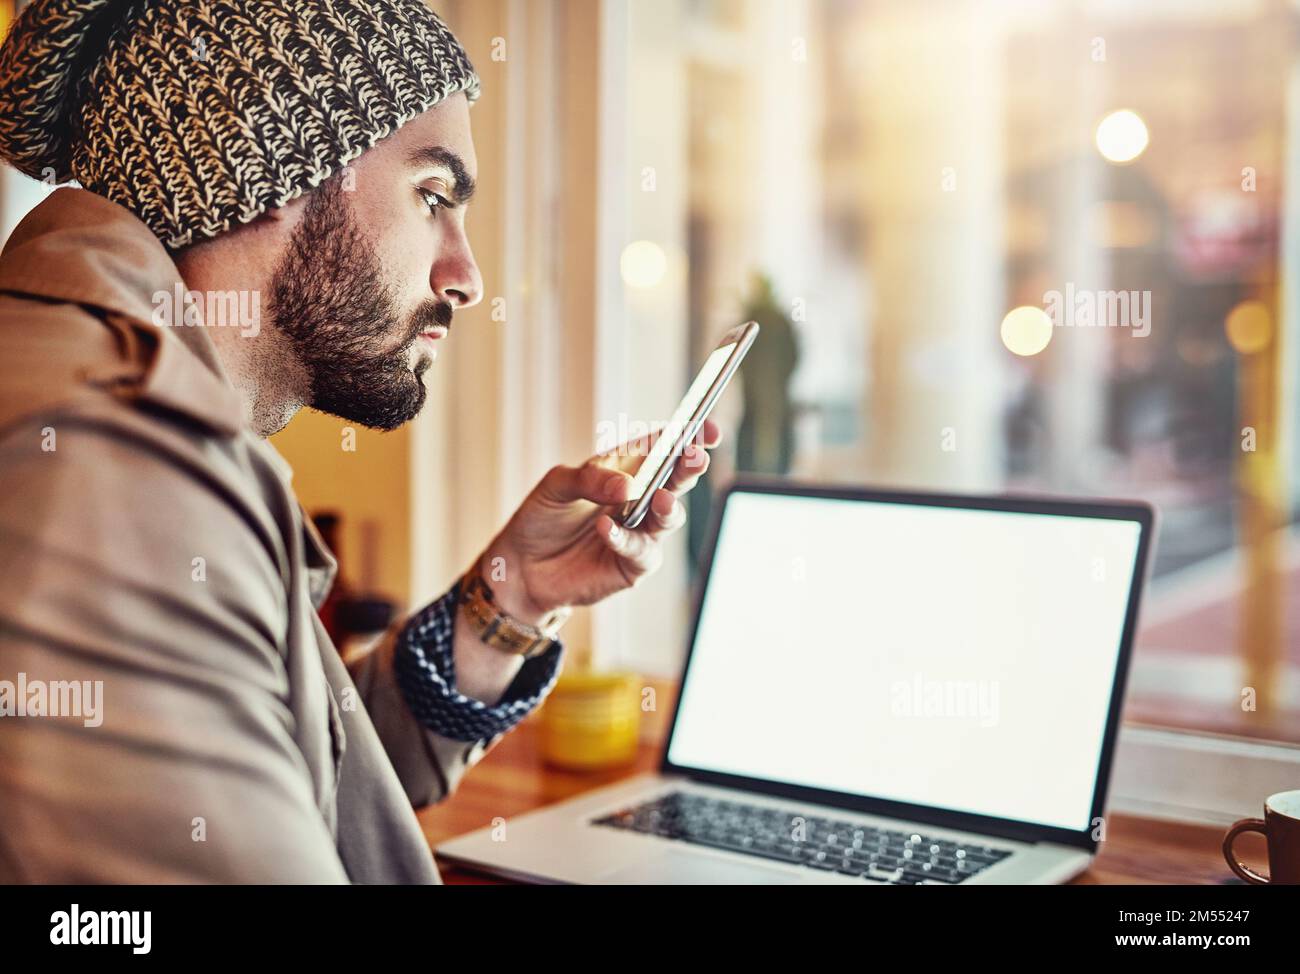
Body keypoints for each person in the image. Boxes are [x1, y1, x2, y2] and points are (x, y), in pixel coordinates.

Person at [0, 0, 718, 883]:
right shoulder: (111, 458)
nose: (467, 276)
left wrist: (516, 595)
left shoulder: (120, 407)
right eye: (434, 196)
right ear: (266, 160)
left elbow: (293, 773)